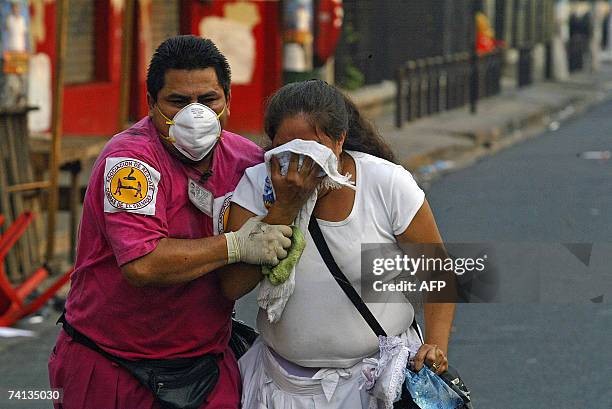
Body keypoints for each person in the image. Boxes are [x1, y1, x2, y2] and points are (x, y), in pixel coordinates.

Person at [48, 35, 295, 409]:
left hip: (206, 364)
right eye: (178, 102)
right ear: (151, 104)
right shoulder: (130, 161)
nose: (195, 115)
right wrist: (237, 245)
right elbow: (142, 265)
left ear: (227, 100)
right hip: (111, 365)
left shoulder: (247, 161)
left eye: (208, 100)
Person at [220, 80, 456, 408]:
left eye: (311, 149)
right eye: (288, 151)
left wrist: (434, 345)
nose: (300, 165)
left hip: (376, 384)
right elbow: (232, 286)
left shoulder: (385, 184)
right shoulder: (257, 186)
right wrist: (285, 207)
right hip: (285, 388)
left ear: (339, 142)